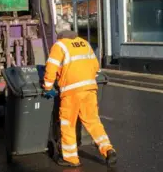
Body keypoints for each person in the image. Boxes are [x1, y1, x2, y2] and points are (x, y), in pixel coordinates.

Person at [42, 20, 117, 168]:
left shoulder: (59, 46)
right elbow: (95, 67)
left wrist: (47, 87)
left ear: (58, 33)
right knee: (93, 121)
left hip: (71, 91)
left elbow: (51, 68)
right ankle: (108, 149)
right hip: (89, 88)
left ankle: (70, 159)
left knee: (67, 123)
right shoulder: (84, 43)